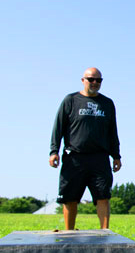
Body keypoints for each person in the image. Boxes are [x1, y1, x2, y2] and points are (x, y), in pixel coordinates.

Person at [49, 67, 121, 230]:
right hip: (74, 157)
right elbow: (58, 127)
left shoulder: (107, 103)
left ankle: (105, 233)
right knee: (70, 198)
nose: (95, 83)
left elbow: (112, 132)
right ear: (83, 80)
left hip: (100, 158)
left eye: (98, 80)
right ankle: (68, 232)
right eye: (91, 79)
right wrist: (54, 151)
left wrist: (116, 156)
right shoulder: (71, 100)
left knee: (103, 196)